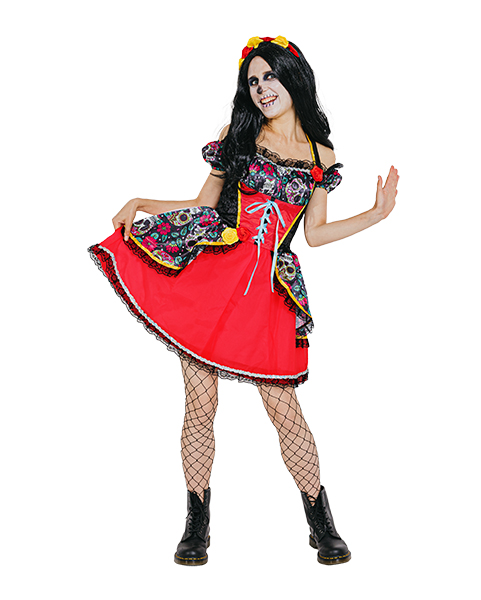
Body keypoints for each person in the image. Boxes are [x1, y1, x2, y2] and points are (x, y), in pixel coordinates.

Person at [87, 35, 398, 566]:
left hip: (269, 291)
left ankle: (321, 522)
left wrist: (376, 214)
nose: (261, 88)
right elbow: (203, 204)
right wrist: (140, 201)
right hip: (213, 279)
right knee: (200, 403)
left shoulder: (321, 156)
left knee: (284, 409)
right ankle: (197, 524)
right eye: (252, 81)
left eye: (269, 76)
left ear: (292, 77)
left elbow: (315, 234)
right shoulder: (239, 135)